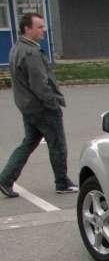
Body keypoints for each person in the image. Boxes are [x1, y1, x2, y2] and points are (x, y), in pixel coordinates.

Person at [0, 13, 77, 198]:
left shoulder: (17, 48)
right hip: (42, 107)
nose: (44, 30)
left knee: (29, 142)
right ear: (27, 29)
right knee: (57, 144)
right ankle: (62, 182)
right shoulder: (31, 52)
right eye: (40, 27)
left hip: (28, 106)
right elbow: (39, 84)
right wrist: (52, 103)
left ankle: (6, 179)